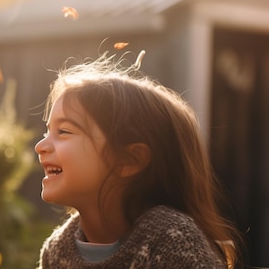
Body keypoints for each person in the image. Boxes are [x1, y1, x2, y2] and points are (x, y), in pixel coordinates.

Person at [34, 52, 242, 268]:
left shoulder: (172, 242)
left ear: (128, 161)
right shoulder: (56, 250)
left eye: (64, 131)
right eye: (47, 132)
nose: (40, 147)